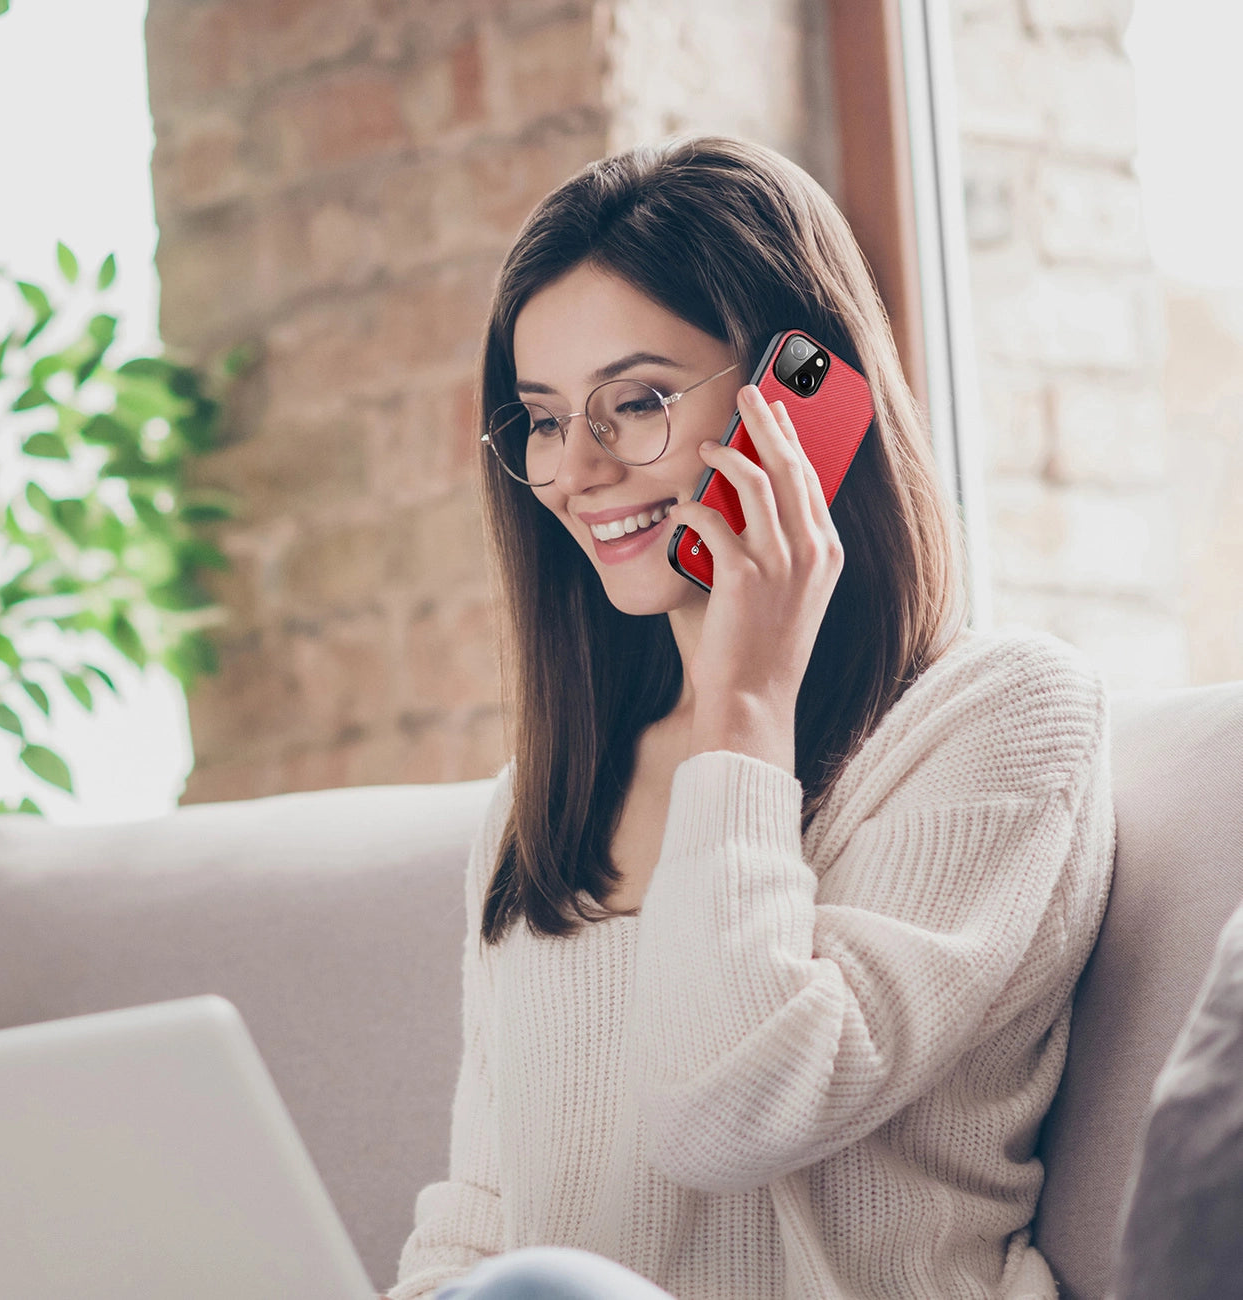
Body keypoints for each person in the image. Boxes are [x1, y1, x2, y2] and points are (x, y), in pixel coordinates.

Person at [381, 136, 1115, 1300]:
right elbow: (482, 1215)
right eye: (544, 418)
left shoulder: (1000, 716)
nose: (579, 468)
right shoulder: (544, 799)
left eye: (635, 402)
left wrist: (743, 704)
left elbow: (730, 1112)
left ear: (795, 392)